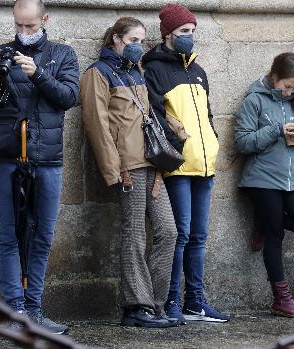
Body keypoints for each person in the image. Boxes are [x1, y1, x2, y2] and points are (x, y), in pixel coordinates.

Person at [0, 0, 79, 334]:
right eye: (19, 25)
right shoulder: (0, 53)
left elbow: (69, 97)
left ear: (45, 19)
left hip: (47, 159)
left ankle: (33, 309)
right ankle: (14, 310)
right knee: (9, 234)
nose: (23, 32)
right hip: (8, 158)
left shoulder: (63, 54)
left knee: (43, 234)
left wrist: (39, 73)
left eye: (30, 25)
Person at [80, 17, 179, 328]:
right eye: (133, 40)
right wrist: (113, 171)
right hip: (128, 167)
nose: (138, 46)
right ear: (116, 40)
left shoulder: (135, 71)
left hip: (151, 163)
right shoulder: (98, 73)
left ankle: (156, 304)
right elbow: (96, 125)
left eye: (141, 41)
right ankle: (136, 308)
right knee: (134, 234)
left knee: (169, 231)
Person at [142, 3, 229, 324]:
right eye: (183, 33)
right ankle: (173, 300)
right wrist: (178, 146)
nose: (189, 37)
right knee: (180, 235)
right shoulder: (153, 69)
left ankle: (196, 301)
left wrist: (213, 142)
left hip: (205, 166)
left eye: (192, 32)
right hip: (178, 167)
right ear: (168, 34)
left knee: (198, 237)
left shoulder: (198, 70)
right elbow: (153, 117)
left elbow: (206, 115)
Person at [235, 53, 294, 318]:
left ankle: (267, 220)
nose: (289, 91)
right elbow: (243, 143)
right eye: (285, 86)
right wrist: (276, 131)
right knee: (275, 238)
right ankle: (282, 300)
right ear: (274, 76)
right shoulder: (254, 100)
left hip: (293, 180)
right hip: (262, 179)